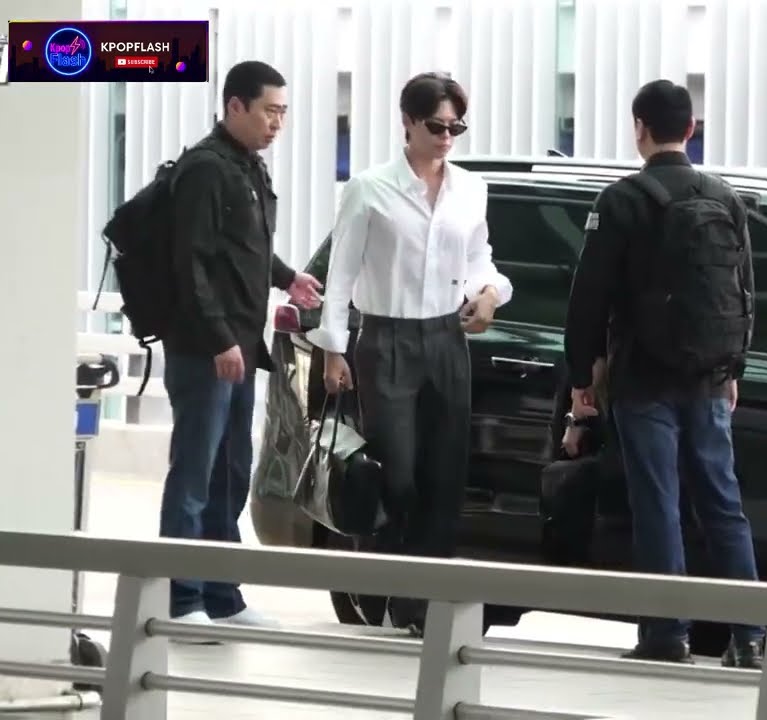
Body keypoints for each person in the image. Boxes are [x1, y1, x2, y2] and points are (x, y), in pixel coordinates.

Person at [563, 79, 763, 668]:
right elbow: (746, 291)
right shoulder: (725, 197)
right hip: (708, 377)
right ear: (691, 131)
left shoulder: (622, 200)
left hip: (643, 377)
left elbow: (588, 297)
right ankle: (750, 638)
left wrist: (582, 376)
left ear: (639, 129)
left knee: (659, 503)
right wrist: (733, 367)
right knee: (723, 504)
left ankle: (666, 635)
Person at [307, 72, 512, 636]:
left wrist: (491, 292)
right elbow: (341, 273)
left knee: (446, 473)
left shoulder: (471, 189)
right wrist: (334, 349)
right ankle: (383, 579)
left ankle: (423, 601)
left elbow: (480, 261)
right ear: (408, 122)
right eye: (437, 125)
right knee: (397, 472)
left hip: (446, 339)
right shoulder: (369, 188)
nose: (447, 136)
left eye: (456, 127)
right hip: (385, 340)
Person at [160, 60, 323, 631]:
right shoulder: (206, 169)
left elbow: (242, 251)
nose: (278, 123)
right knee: (195, 474)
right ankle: (180, 599)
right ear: (235, 107)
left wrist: (287, 277)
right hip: (206, 351)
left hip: (237, 348)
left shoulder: (247, 167)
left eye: (283, 113)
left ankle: (221, 595)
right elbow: (193, 264)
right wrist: (220, 340)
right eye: (269, 111)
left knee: (231, 469)